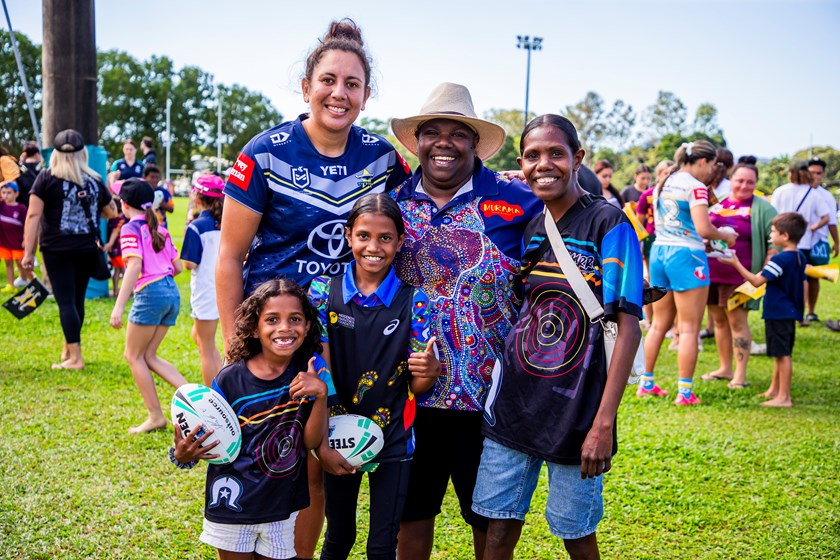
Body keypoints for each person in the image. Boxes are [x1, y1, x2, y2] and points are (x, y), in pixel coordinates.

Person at [215, 19, 410, 559]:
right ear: (306, 87)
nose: (339, 93)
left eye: (352, 84)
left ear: (366, 95)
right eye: (328, 80)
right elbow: (229, 257)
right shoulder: (265, 151)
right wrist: (235, 343)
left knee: (316, 465)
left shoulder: (382, 159)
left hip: (346, 337)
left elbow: (423, 202)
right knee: (266, 458)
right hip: (275, 334)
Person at [474, 114, 643, 560]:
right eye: (532, 156)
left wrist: (603, 424)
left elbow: (626, 325)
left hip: (578, 408)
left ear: (577, 158)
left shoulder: (609, 224)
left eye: (556, 153)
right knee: (497, 526)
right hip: (514, 402)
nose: (543, 164)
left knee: (575, 532)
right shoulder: (534, 226)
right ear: (521, 164)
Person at [388, 82, 543, 560]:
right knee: (411, 515)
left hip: (489, 398)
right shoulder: (392, 205)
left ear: (476, 143)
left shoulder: (516, 202)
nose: (444, 143)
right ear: (417, 142)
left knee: (490, 522)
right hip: (409, 395)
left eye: (458, 133)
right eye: (432, 132)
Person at [308, 194, 440, 560]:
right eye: (364, 236)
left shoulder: (414, 301)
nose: (373, 247)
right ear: (348, 235)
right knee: (339, 536)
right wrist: (326, 437)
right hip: (337, 434)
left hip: (394, 436)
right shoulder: (323, 291)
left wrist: (429, 372)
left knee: (382, 544)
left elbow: (417, 383)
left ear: (400, 242)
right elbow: (319, 365)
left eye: (385, 238)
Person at [171, 279, 334, 560]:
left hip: (281, 505)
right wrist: (182, 456)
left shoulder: (313, 370)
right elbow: (210, 436)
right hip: (232, 502)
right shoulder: (230, 378)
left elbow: (309, 442)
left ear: (308, 326)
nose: (284, 327)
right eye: (272, 319)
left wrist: (320, 395)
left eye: (295, 319)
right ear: (255, 328)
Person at [640, 140, 737, 405]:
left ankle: (646, 383)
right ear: (702, 161)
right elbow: (704, 228)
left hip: (660, 251)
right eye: (713, 165)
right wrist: (725, 236)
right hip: (687, 256)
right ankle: (684, 393)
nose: (713, 171)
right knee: (690, 328)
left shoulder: (664, 182)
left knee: (658, 324)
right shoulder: (695, 186)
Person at [22, 129, 119, 369]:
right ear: (82, 153)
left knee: (65, 301)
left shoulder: (46, 178)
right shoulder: (94, 179)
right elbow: (112, 211)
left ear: (55, 154)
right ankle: (69, 349)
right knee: (77, 300)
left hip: (56, 249)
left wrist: (28, 253)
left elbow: (33, 215)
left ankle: (76, 358)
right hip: (86, 247)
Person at [108, 178, 187, 433]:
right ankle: (198, 401)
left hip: (151, 292)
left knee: (133, 356)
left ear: (124, 204)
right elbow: (177, 267)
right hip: (170, 292)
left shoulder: (129, 229)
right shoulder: (160, 228)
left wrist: (118, 306)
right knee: (149, 356)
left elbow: (134, 265)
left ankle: (155, 416)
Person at [717, 212, 807, 407]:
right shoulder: (799, 257)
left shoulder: (780, 260)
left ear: (785, 236)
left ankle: (784, 397)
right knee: (780, 353)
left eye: (773, 232)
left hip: (778, 312)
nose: (770, 235)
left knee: (782, 355)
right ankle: (774, 390)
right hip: (789, 312)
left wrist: (735, 263)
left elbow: (757, 281)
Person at [700, 164, 776, 389]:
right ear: (731, 180)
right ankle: (725, 368)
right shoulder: (719, 202)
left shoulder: (763, 208)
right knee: (718, 321)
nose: (744, 186)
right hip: (712, 274)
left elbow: (774, 244)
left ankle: (740, 375)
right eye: (739, 180)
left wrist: (762, 273)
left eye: (750, 182)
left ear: (756, 183)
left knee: (737, 322)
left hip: (740, 277)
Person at [770, 160, 831, 325]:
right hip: (802, 243)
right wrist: (813, 227)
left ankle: (782, 311)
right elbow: (826, 217)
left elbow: (773, 215)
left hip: (780, 242)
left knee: (781, 279)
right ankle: (800, 314)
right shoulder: (813, 193)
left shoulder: (780, 191)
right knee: (801, 280)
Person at [181, 174, 225, 386]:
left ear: (197, 199)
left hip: (206, 290)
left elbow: (189, 263)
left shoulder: (196, 226)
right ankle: (222, 383)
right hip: (223, 287)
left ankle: (214, 396)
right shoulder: (227, 223)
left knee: (205, 347)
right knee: (199, 337)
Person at [803, 157, 838, 322]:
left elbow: (831, 221)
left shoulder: (826, 196)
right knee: (799, 276)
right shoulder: (799, 191)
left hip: (818, 242)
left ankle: (811, 311)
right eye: (812, 172)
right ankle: (799, 311)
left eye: (818, 173)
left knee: (814, 276)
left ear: (823, 174)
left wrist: (836, 242)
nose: (815, 176)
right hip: (799, 242)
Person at [0, 182, 33, 292]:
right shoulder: (1, 206)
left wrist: (25, 239)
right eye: (3, 192)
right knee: (8, 263)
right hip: (4, 242)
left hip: (17, 242)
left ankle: (34, 284)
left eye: (9, 193)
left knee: (22, 264)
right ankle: (11, 285)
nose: (6, 195)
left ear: (16, 194)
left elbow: (27, 225)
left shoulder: (21, 208)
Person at [145, 164, 173, 230]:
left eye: (157, 177)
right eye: (152, 177)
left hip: (161, 226)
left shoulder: (164, 192)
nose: (155, 180)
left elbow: (171, 209)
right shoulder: (141, 191)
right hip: (145, 225)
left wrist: (161, 204)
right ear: (145, 177)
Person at [16, 141, 42, 206]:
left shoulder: (22, 167)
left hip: (25, 203)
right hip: (40, 201)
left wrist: (21, 162)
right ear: (37, 154)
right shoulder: (41, 167)